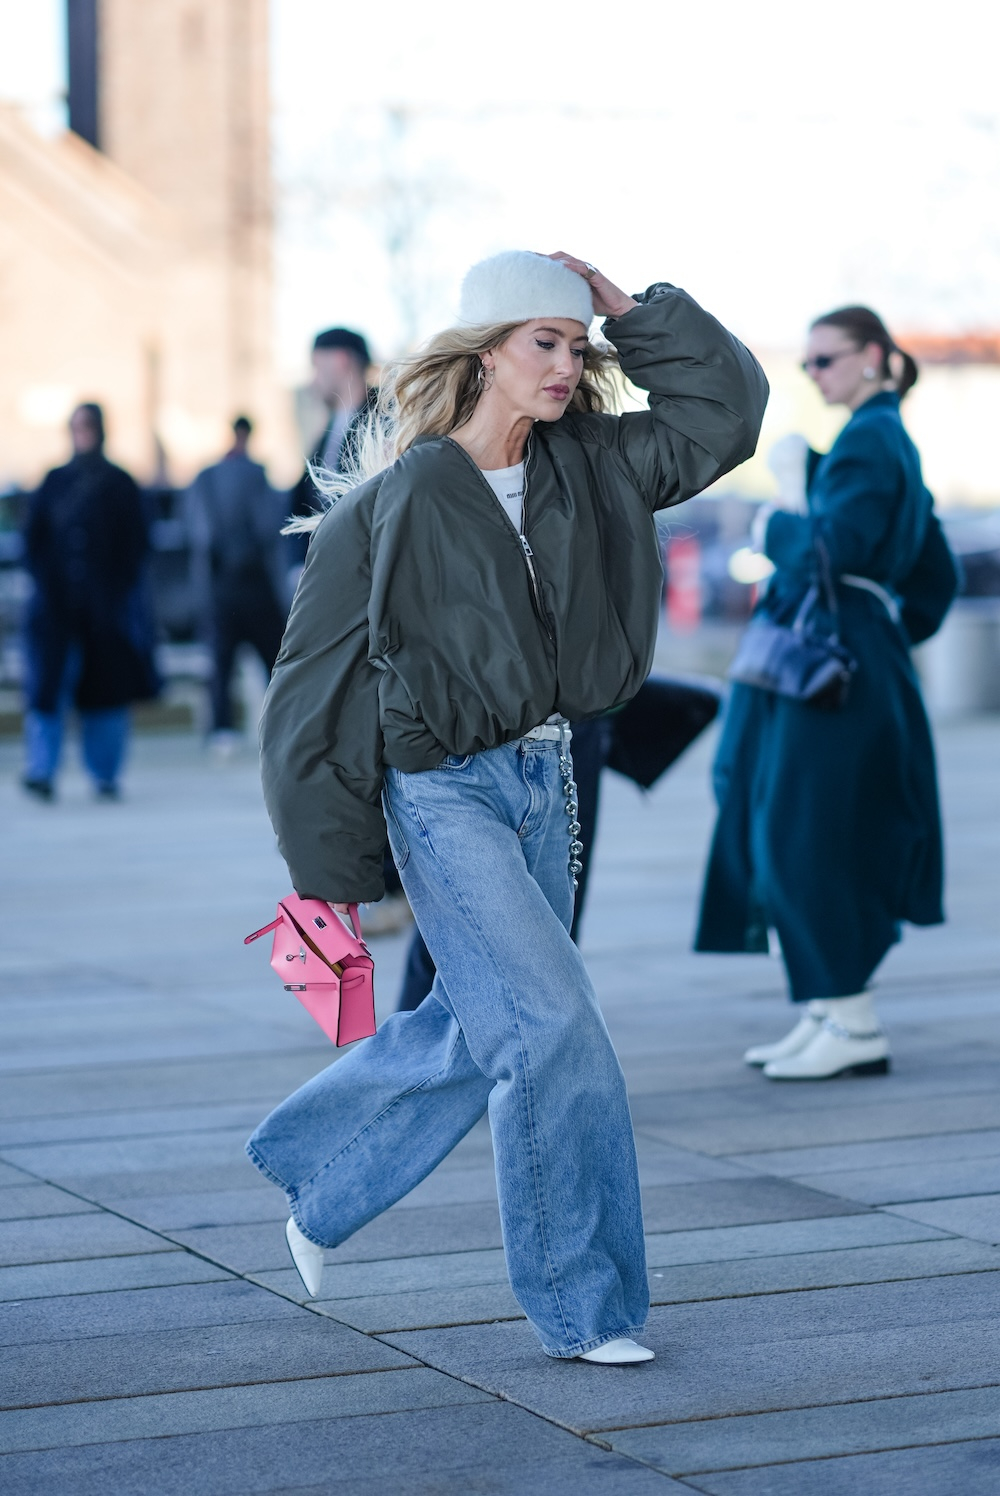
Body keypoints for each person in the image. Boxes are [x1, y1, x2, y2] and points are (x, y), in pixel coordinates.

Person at [246, 250, 767, 1365]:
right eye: (546, 341)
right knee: (552, 1026)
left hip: (551, 780)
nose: (570, 366)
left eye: (580, 348)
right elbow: (308, 701)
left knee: (481, 1016)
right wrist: (328, 876)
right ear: (483, 349)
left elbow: (726, 415)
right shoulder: (383, 509)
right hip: (442, 791)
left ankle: (318, 1179)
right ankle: (586, 1307)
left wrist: (633, 311)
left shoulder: (601, 467)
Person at [695, 306, 959, 1080]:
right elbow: (934, 580)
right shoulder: (883, 439)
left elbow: (826, 550)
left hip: (833, 674)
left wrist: (775, 520)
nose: (814, 375)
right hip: (854, 664)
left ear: (874, 356)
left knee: (804, 833)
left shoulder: (870, 440)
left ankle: (850, 1018)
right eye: (808, 364)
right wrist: (884, 632)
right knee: (814, 828)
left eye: (826, 360)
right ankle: (831, 1010)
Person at [22, 402, 156, 800]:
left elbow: (135, 546)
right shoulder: (54, 481)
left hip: (104, 610)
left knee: (105, 692)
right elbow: (34, 541)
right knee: (48, 688)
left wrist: (114, 592)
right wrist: (49, 585)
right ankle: (42, 769)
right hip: (55, 607)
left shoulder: (120, 483)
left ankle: (104, 773)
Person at [186, 416, 288, 747]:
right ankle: (284, 721)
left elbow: (200, 533)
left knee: (221, 663)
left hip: (220, 585)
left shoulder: (207, 477)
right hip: (255, 584)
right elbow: (270, 527)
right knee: (275, 660)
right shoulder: (256, 475)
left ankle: (222, 729)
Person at [287, 326, 377, 540]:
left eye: (316, 367)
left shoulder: (385, 421)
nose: (313, 380)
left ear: (341, 360)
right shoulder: (329, 428)